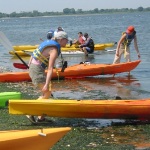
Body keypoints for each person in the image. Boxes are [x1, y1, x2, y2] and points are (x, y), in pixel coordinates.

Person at [27, 31, 68, 124]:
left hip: (35, 68)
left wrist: (30, 66)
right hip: (37, 70)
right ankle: (30, 112)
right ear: (61, 40)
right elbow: (50, 69)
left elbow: (33, 54)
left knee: (46, 93)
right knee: (47, 93)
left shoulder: (48, 43)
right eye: (66, 40)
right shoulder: (54, 49)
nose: (67, 42)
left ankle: (41, 118)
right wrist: (46, 84)